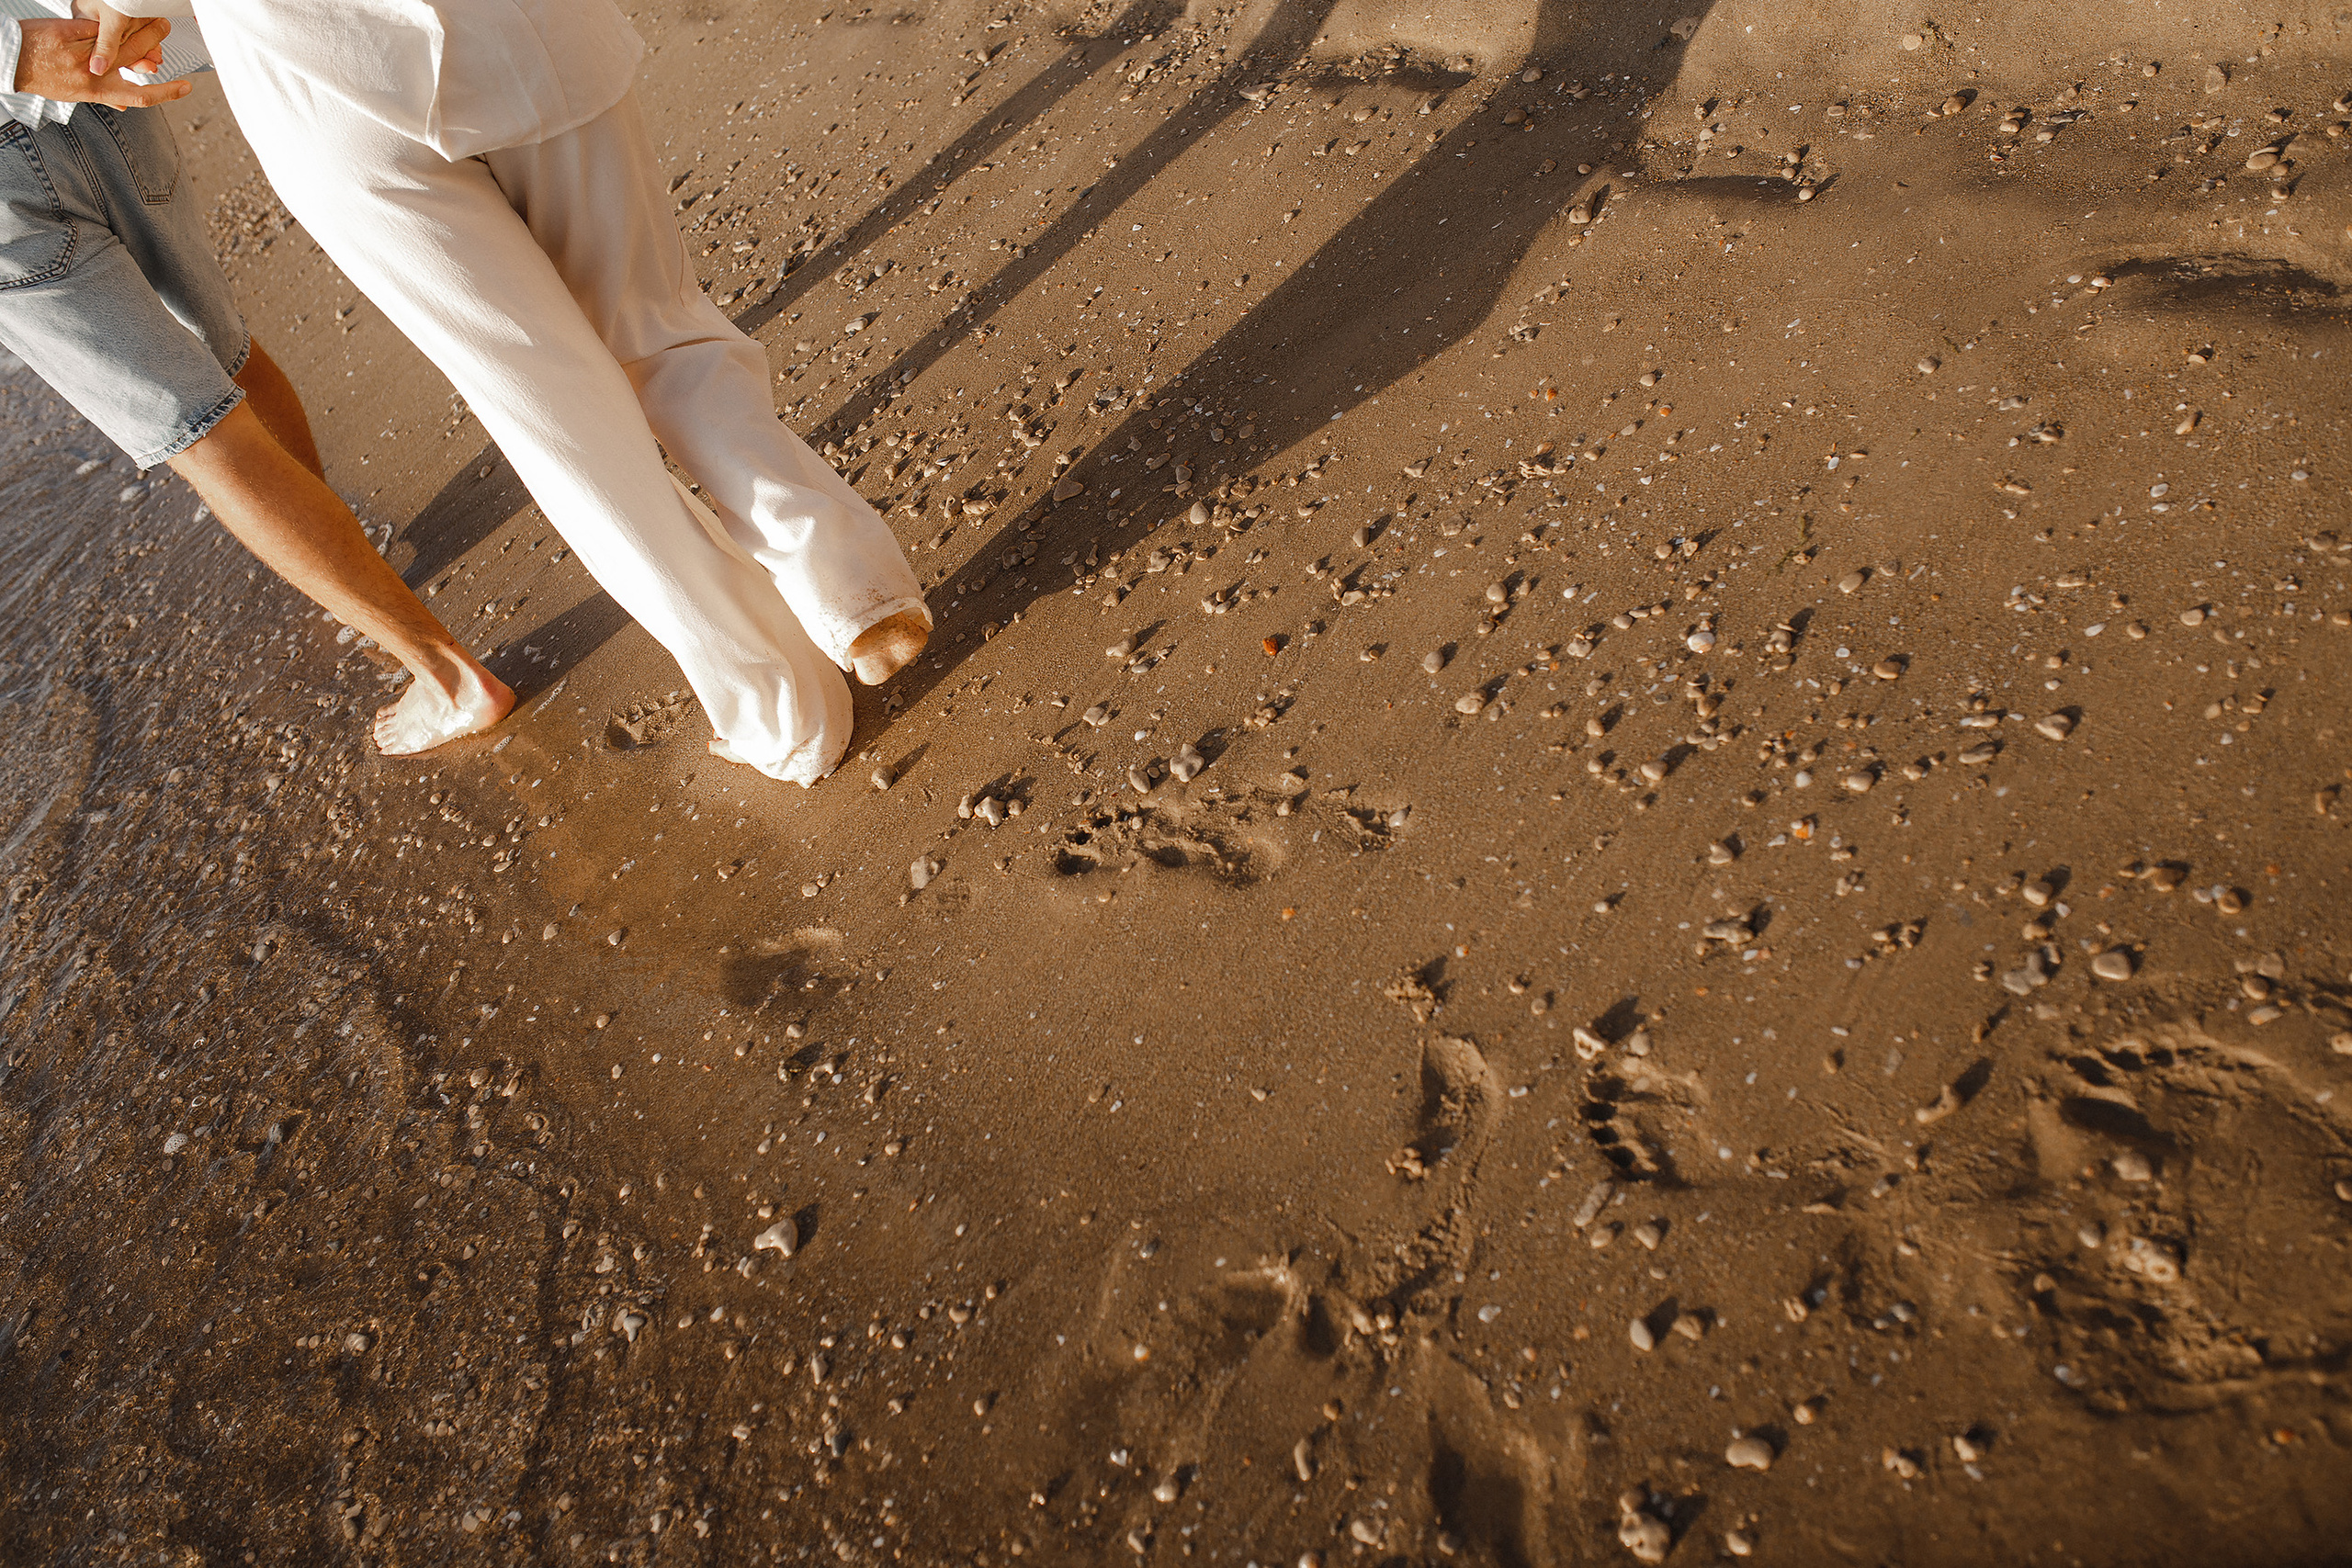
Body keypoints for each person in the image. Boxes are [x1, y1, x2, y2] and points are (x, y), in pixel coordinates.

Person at [95, 0, 933, 786]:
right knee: (658, 324)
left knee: (562, 424)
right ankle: (847, 578)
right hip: (521, 28)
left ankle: (781, 711)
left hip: (327, 86)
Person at [0, 1, 515, 753]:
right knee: (219, 348)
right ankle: (347, 563)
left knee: (197, 429)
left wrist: (12, 52)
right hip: (98, 69)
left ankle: (449, 680)